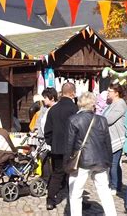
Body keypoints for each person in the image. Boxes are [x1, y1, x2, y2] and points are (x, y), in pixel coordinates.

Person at [65, 91, 116, 216]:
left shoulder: (73, 120)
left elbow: (69, 145)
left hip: (81, 161)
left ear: (80, 104)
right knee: (105, 192)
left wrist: (66, 163)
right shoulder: (102, 120)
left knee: (76, 194)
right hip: (100, 160)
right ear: (93, 104)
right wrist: (109, 160)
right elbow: (107, 143)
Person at [44, 82, 78, 210]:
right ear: (73, 93)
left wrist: (52, 143)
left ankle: (50, 200)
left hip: (56, 148)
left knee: (57, 174)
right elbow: (78, 130)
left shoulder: (53, 109)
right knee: (73, 175)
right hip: (71, 149)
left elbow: (47, 130)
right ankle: (74, 201)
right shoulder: (75, 109)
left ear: (62, 93)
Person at [103, 83, 127, 195]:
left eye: (110, 91)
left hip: (117, 138)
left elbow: (108, 120)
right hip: (110, 137)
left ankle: (114, 185)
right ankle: (117, 184)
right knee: (114, 163)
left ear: (116, 93)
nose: (108, 93)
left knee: (113, 163)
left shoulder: (120, 104)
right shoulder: (111, 104)